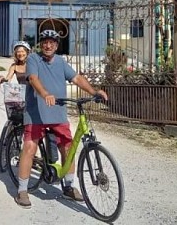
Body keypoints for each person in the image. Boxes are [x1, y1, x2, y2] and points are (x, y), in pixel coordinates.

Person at [14, 29, 109, 209]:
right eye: (45, 42)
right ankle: (22, 190)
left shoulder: (61, 62)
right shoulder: (34, 59)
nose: (48, 45)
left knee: (68, 147)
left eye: (52, 42)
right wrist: (45, 93)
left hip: (57, 113)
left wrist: (94, 91)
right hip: (36, 113)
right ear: (41, 44)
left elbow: (77, 78)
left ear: (57, 45)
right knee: (29, 147)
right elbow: (33, 78)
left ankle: (69, 186)